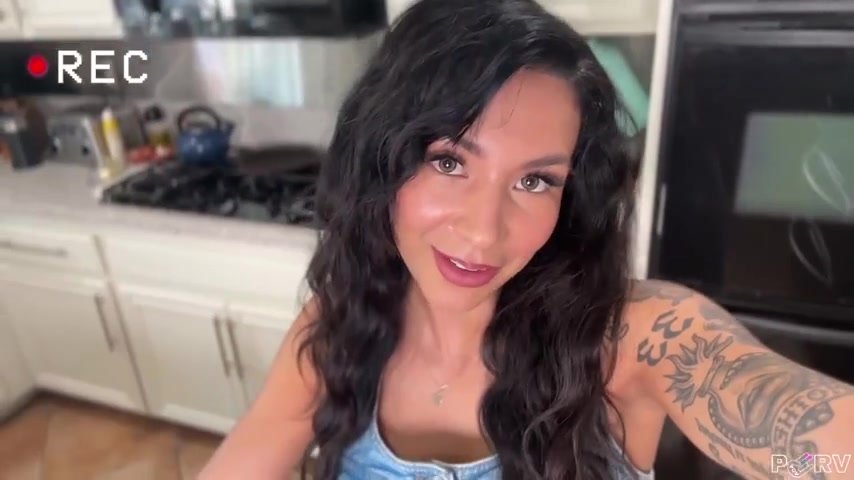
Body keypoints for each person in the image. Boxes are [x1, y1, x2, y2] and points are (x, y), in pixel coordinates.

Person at [200, 0, 854, 478]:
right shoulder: (340, 324)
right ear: (380, 158)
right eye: (449, 161)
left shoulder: (636, 338)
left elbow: (821, 453)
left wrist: (815, 461)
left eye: (535, 181)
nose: (484, 231)